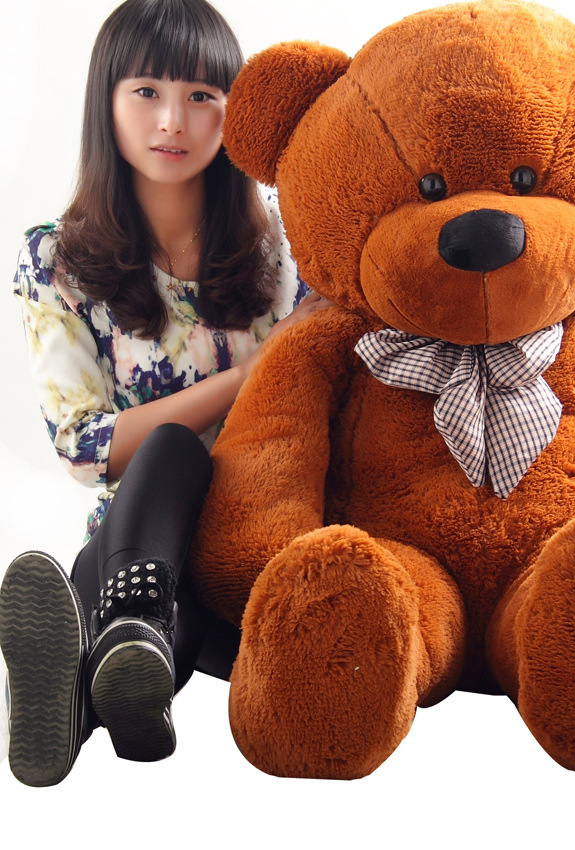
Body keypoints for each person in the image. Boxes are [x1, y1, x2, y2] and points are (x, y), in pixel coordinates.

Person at [0, 0, 325, 787]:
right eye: (146, 91)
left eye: (202, 96)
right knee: (174, 458)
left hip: (255, 544)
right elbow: (85, 448)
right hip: (139, 532)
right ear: (105, 101)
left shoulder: (289, 239)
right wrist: (245, 376)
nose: (173, 121)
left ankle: (89, 670)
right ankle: (117, 667)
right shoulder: (55, 262)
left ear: (232, 113)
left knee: (169, 573)